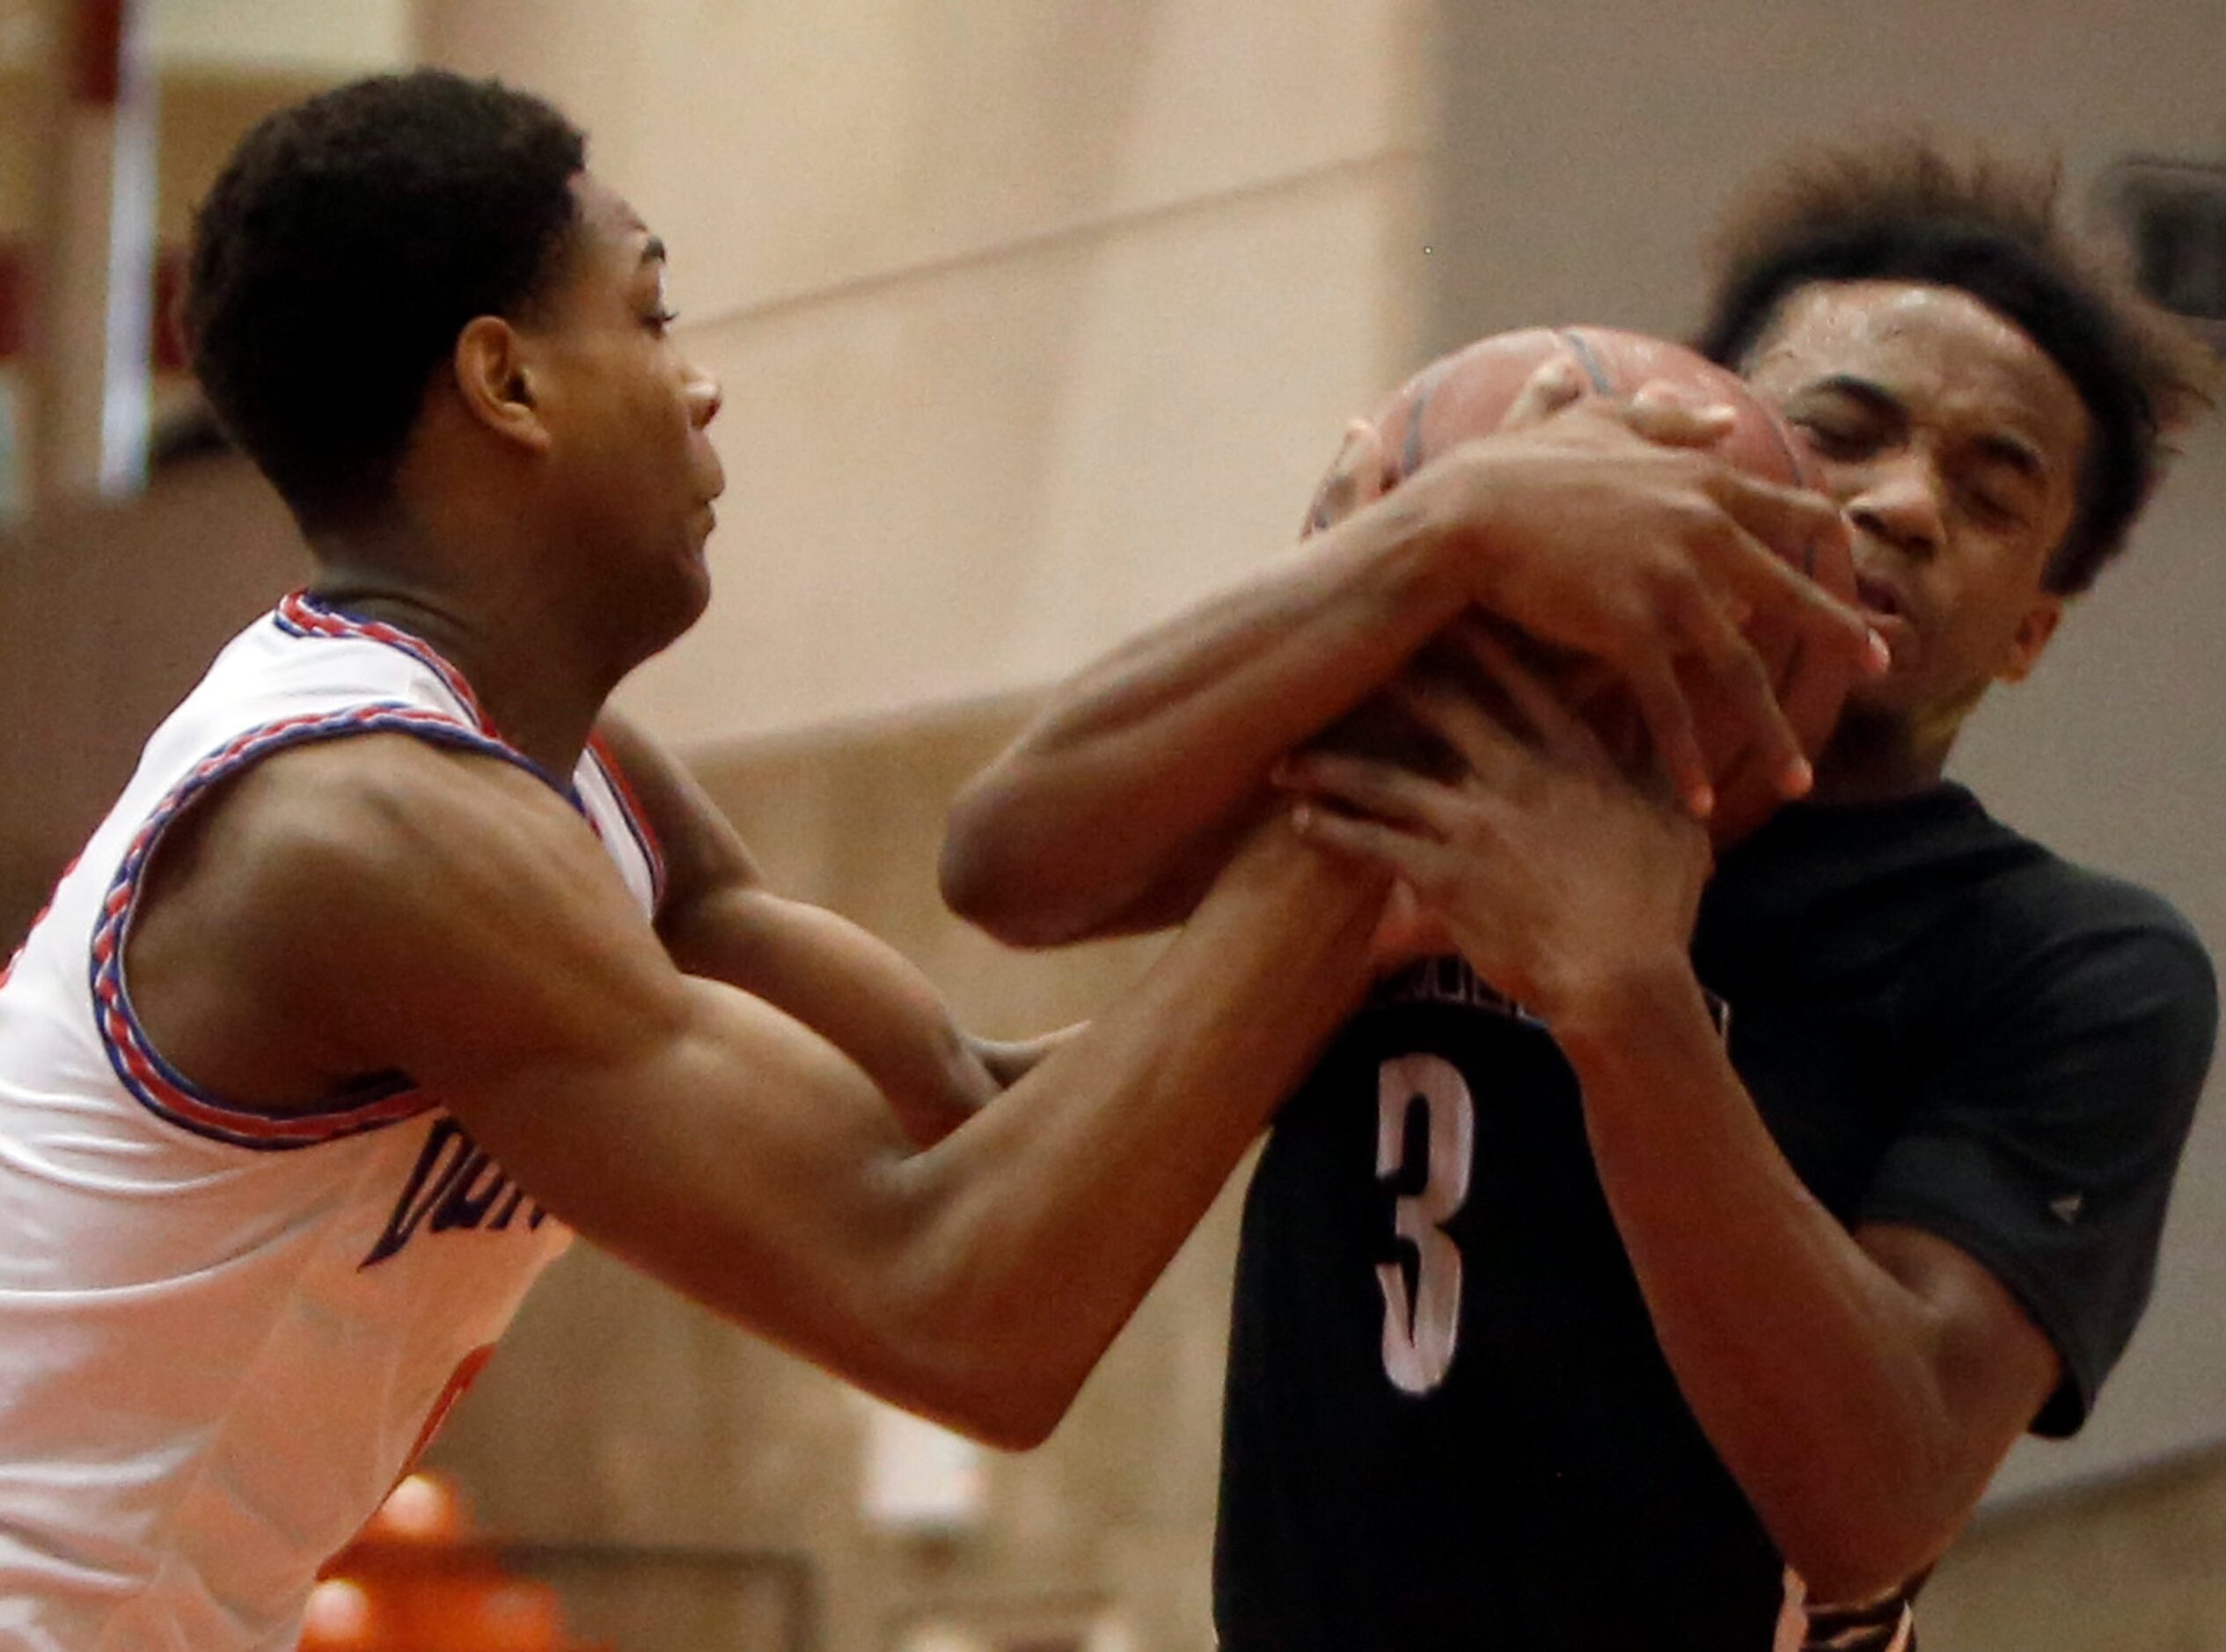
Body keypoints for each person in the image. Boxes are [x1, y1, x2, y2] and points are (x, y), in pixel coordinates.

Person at [0, 66, 1679, 1651]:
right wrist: (1420, 654)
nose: (701, 377)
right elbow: (962, 1313)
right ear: (505, 382)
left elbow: (955, 1107)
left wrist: (1373, 878)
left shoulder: (584, 783)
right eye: (650, 315)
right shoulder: (367, 828)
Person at [939, 141, 2219, 1649]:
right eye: (1842, 431)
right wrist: (1401, 557)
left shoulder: (2072, 960)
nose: (1906, 504)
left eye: (1989, 493)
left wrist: (1625, 996)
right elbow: (1006, 868)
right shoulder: (1468, 742)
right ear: (1708, 441)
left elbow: (1879, 1500)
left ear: (2029, 633)